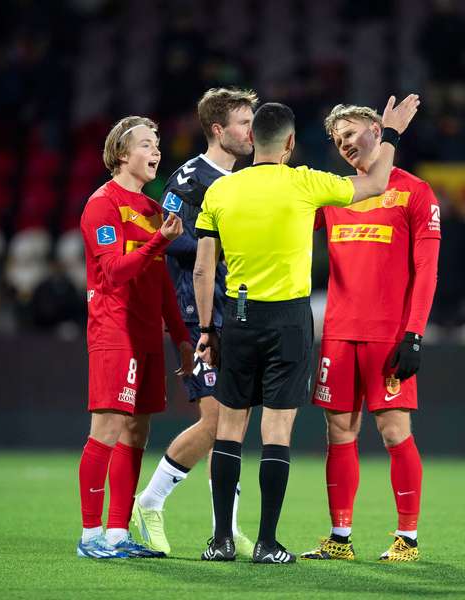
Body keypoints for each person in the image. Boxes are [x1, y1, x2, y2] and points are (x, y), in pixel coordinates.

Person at [193, 95, 420, 563]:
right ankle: (267, 542)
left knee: (230, 430)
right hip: (289, 320)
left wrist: (205, 329)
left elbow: (202, 270)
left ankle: (220, 541)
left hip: (235, 316)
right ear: (292, 143)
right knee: (276, 431)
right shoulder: (306, 183)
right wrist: (391, 133)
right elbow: (376, 183)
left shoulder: (220, 192)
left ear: (250, 139)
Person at [299, 104, 440, 563]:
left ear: (378, 132)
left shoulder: (415, 193)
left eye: (352, 133)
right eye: (338, 139)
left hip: (388, 335)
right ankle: (340, 538)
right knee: (338, 432)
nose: (345, 143)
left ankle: (408, 539)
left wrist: (414, 334)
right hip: (338, 333)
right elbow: (291, 226)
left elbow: (427, 271)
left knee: (395, 431)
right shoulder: (336, 195)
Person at [133, 88, 258, 557]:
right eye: (244, 123)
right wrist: (222, 240)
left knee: (235, 427)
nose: (251, 131)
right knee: (215, 422)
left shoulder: (245, 178)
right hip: (198, 312)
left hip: (239, 310)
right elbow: (169, 237)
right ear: (218, 129)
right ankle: (150, 500)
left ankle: (225, 530)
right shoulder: (190, 177)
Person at [76, 117, 194, 559]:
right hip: (114, 331)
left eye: (158, 143)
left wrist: (180, 336)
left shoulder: (153, 210)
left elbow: (160, 282)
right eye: (147, 143)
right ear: (122, 154)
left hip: (147, 335)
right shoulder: (102, 205)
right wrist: (157, 243)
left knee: (137, 432)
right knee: (106, 428)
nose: (157, 150)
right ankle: (90, 536)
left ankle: (115, 534)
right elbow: (113, 272)